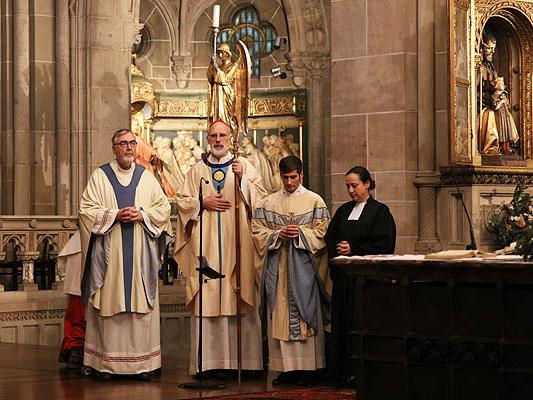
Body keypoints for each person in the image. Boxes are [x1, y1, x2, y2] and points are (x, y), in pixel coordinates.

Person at [173, 120, 267, 378]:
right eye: (213, 135)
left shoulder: (244, 166)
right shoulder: (196, 170)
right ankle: (210, 364)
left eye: (222, 135)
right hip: (207, 248)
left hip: (238, 246)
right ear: (207, 138)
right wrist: (202, 202)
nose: (217, 139)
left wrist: (244, 180)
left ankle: (245, 364)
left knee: (239, 295)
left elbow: (261, 202)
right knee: (209, 298)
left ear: (230, 137)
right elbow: (182, 202)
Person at [79, 128, 172, 381]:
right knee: (111, 302)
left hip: (141, 255)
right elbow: (86, 210)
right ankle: (106, 365)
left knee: (139, 304)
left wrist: (142, 214)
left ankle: (143, 365)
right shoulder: (100, 176)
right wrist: (114, 215)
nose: (129, 148)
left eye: (132, 143)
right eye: (123, 143)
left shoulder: (146, 177)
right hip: (111, 257)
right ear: (114, 147)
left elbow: (163, 208)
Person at [252, 156, 332, 385]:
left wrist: (301, 234)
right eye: (285, 178)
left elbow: (323, 233)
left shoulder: (315, 201)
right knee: (280, 315)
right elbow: (257, 232)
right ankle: (285, 369)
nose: (289, 182)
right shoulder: (268, 203)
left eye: (293, 177)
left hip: (305, 269)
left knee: (305, 316)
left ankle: (308, 369)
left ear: (302, 174)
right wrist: (276, 235)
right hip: (278, 269)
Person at [325, 166, 396, 258]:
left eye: (354, 186)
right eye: (348, 186)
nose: (350, 190)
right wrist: (339, 248)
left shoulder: (380, 211)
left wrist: (354, 249)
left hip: (368, 269)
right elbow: (329, 238)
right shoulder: (343, 210)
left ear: (367, 184)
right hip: (341, 268)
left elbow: (385, 244)